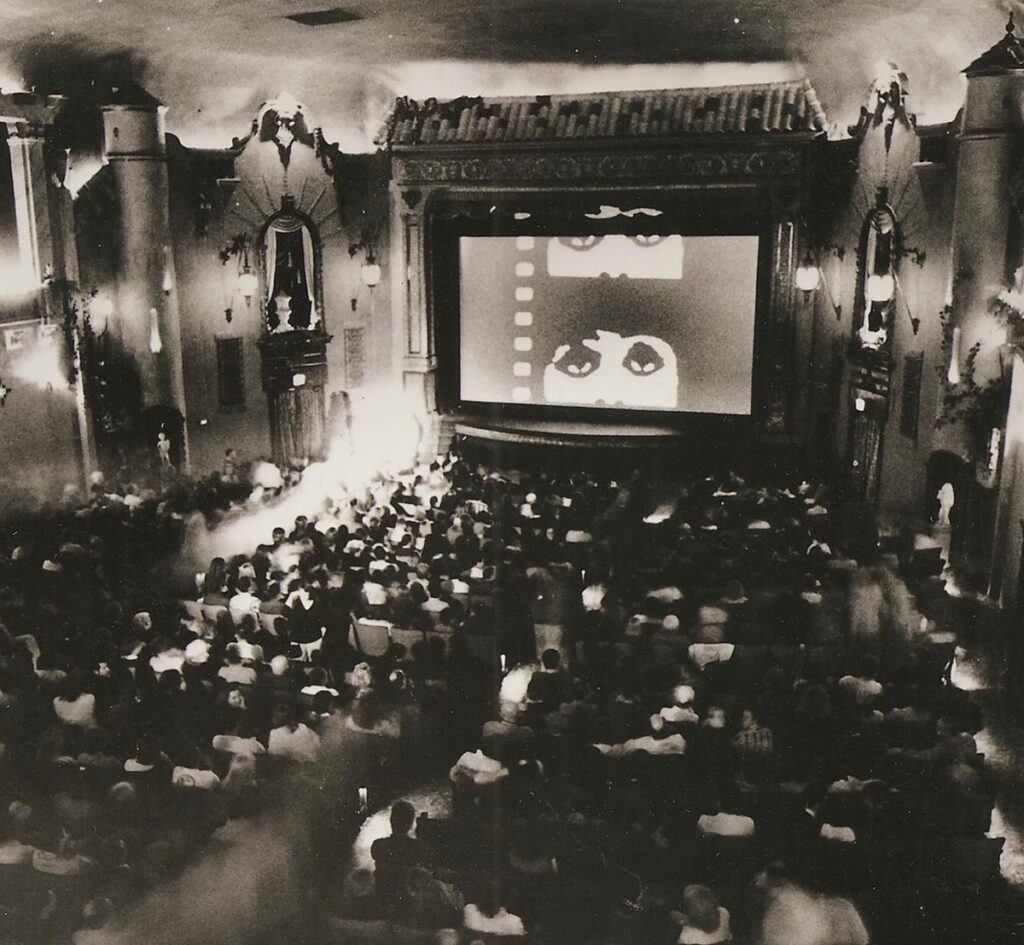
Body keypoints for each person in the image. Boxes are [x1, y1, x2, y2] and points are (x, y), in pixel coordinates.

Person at [371, 801, 427, 912]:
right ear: (411, 824)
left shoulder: (378, 845)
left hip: (382, 897)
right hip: (407, 901)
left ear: (391, 821)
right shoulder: (418, 847)